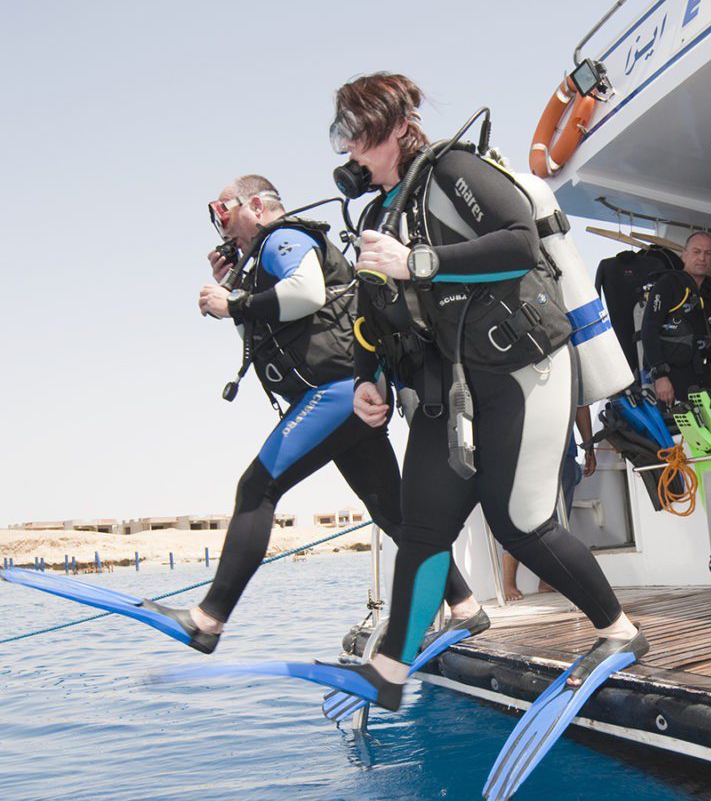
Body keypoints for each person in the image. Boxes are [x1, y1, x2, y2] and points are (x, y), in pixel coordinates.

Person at [338, 71, 646, 710]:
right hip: (446, 388)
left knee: (521, 523)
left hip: (521, 368)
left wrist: (418, 262)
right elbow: (376, 319)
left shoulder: (452, 171)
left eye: (357, 133)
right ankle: (391, 668)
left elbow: (519, 241)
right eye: (341, 135)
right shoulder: (376, 215)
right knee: (421, 530)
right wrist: (369, 382)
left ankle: (618, 632)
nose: (349, 149)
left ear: (396, 127)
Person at [179, 175, 479, 649]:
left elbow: (307, 293)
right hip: (342, 393)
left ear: (256, 205)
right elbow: (262, 336)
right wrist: (234, 291)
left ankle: (208, 618)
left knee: (257, 488)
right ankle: (465, 607)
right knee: (392, 511)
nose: (222, 228)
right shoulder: (259, 260)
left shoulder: (284, 237)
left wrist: (233, 302)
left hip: (335, 391)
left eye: (224, 211)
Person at [503, 407, 597, 600]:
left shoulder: (571, 375)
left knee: (557, 522)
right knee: (522, 518)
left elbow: (580, 404)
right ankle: (508, 583)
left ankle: (547, 581)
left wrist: (589, 446)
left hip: (563, 452)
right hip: (522, 451)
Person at [641, 231, 711, 408]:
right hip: (671, 379)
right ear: (684, 256)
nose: (702, 258)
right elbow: (649, 331)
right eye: (696, 252)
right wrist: (660, 377)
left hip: (702, 377)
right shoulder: (668, 283)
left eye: (708, 253)